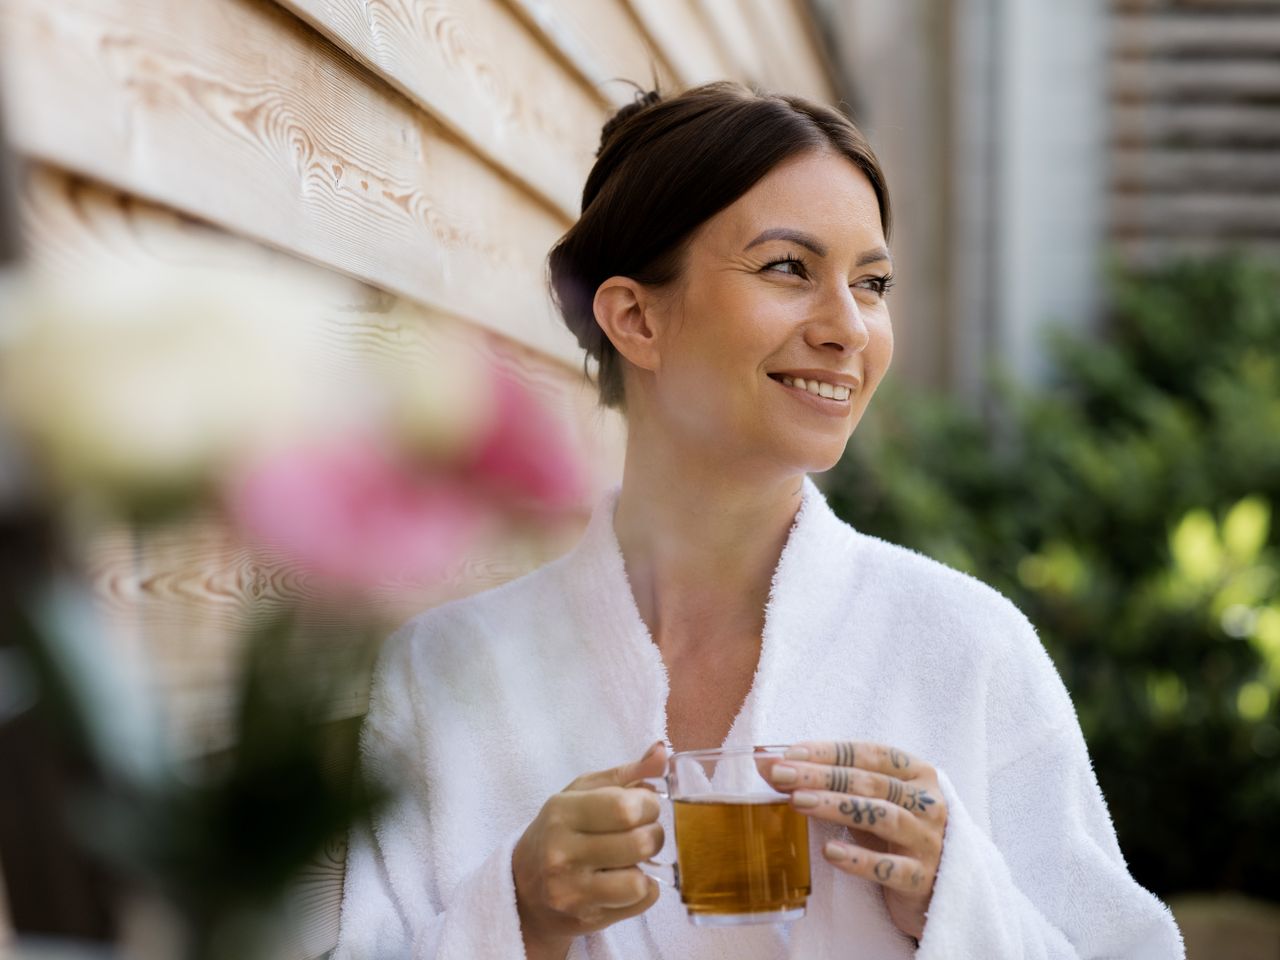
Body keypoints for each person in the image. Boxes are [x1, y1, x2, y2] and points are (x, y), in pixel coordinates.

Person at [332, 80, 1184, 959]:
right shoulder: (450, 675)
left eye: (874, 282)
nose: (850, 328)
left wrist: (957, 899)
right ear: (635, 317)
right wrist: (517, 917)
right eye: (788, 268)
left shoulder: (967, 649)